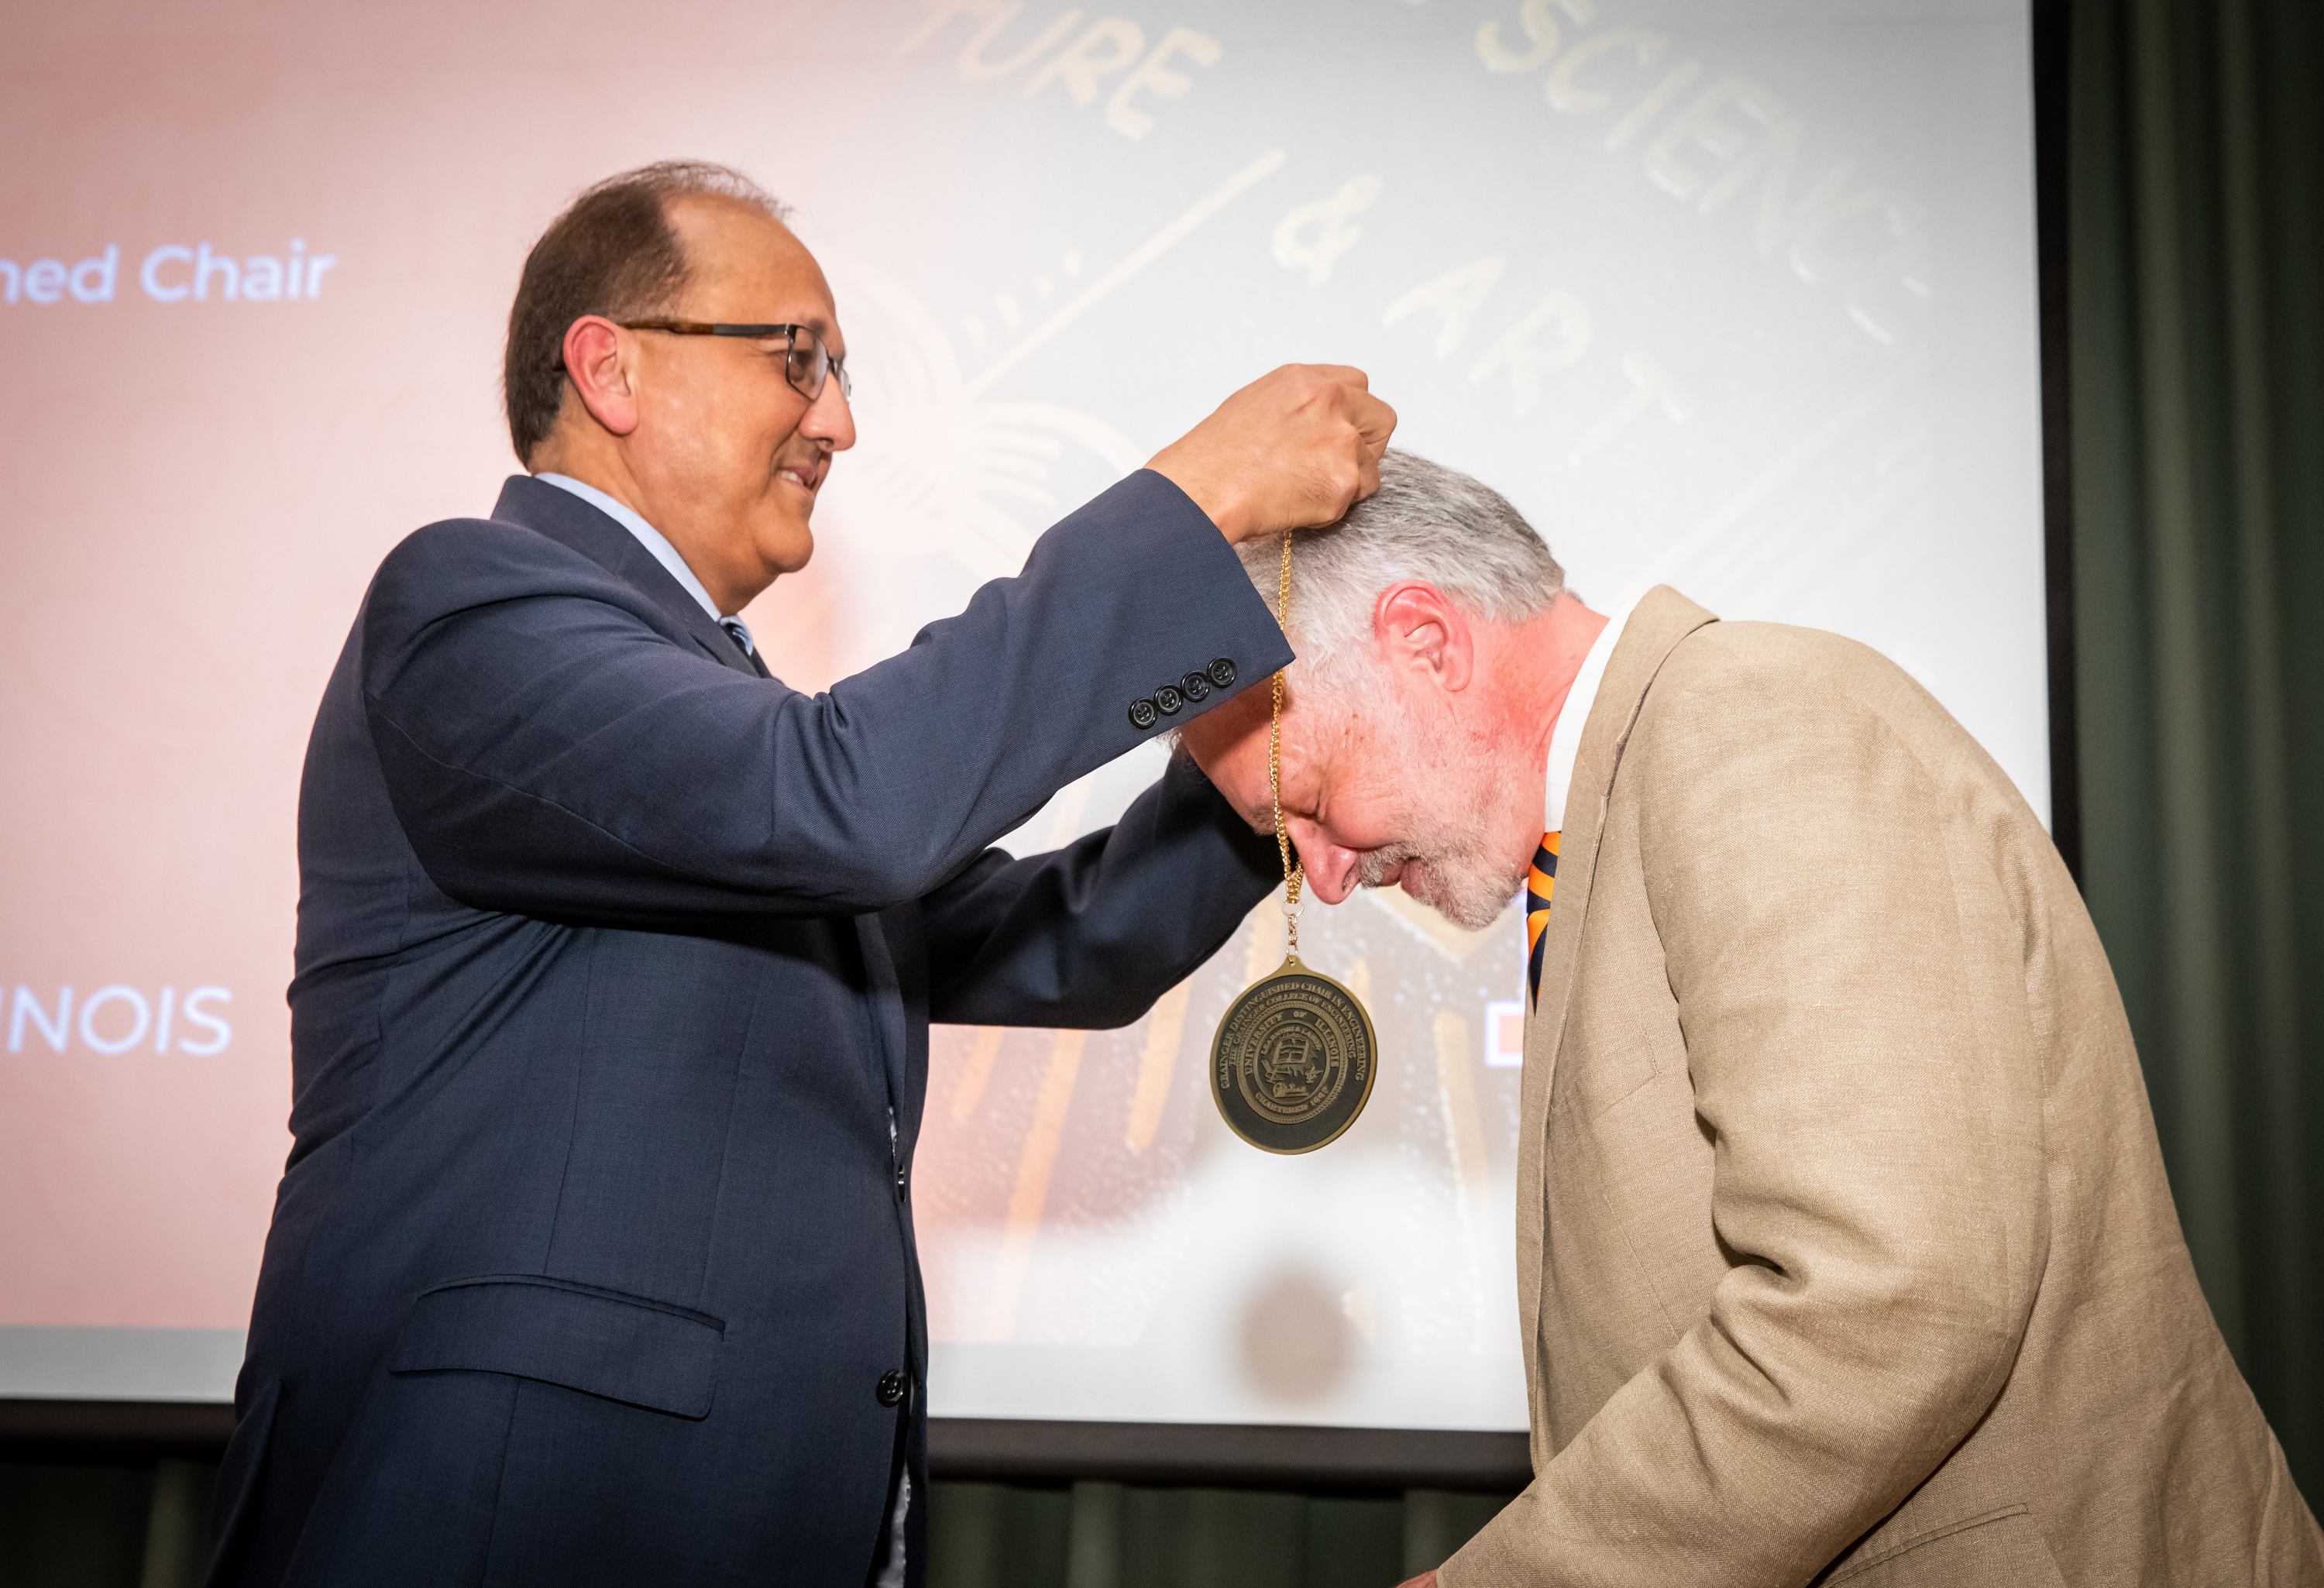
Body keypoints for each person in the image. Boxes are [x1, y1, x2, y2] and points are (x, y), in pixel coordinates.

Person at [208, 160, 1394, 1587]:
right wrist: (1190, 504)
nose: (839, 416)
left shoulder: (734, 731)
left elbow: (1054, 943)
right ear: (611, 368)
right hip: (511, 1517)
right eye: (799, 358)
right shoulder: (467, 602)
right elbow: (849, 803)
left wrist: (1242, 791)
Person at [1180, 451, 2324, 1586]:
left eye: (1312, 804)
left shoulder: (1751, 719)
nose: (1320, 878)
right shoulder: (1608, 818)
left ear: (1426, 641)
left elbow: (1889, 1296)